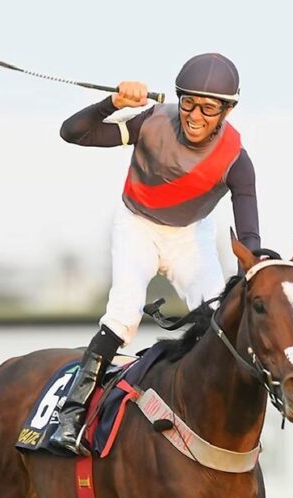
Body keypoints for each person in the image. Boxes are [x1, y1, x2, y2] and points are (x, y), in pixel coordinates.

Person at [49, 53, 261, 454]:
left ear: (227, 110)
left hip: (190, 236)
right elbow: (72, 133)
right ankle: (72, 414)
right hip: (137, 226)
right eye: (189, 103)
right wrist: (111, 104)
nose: (195, 116)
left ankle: (219, 419)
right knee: (124, 314)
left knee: (221, 318)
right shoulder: (151, 121)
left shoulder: (237, 161)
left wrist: (252, 279)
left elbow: (249, 237)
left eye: (209, 108)